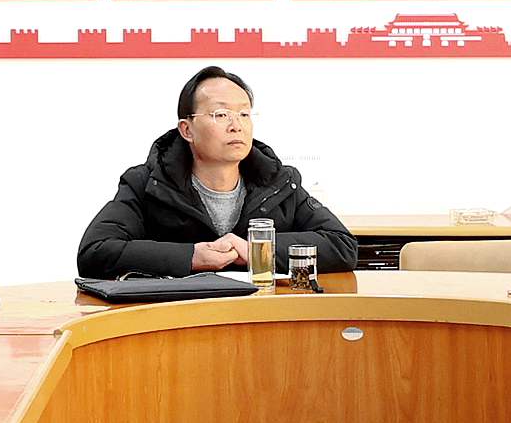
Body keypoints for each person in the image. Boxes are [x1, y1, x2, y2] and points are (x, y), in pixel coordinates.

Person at [76, 65, 355, 278]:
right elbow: (95, 251)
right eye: (221, 115)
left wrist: (256, 250)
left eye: (244, 114)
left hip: (260, 318)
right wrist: (190, 256)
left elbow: (342, 246)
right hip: (177, 321)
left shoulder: (278, 182)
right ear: (187, 129)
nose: (236, 126)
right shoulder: (148, 183)